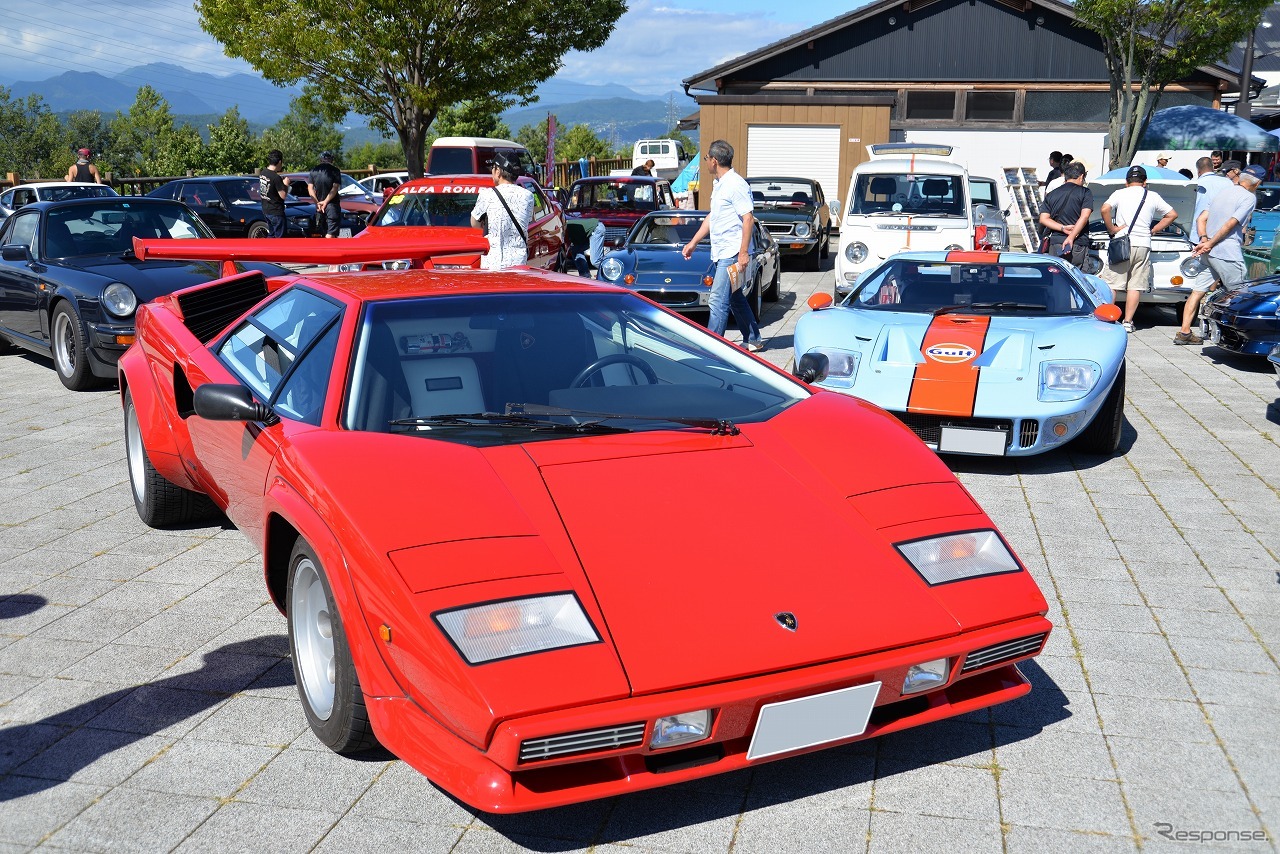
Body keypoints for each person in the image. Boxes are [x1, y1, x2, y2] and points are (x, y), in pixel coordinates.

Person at [681, 139, 763, 351]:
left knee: (717, 299)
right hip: (722, 251)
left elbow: (748, 218)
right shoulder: (720, 185)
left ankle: (713, 347)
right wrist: (693, 242)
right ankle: (753, 337)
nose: (706, 162)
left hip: (733, 251)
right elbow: (713, 216)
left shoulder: (736, 185)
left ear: (715, 161)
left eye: (707, 158)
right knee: (735, 298)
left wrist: (743, 252)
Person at [1176, 165, 1265, 343]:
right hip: (1226, 251)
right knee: (1239, 293)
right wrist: (1211, 242)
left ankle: (1184, 332)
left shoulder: (1222, 192)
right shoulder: (1249, 197)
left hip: (1208, 252)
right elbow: (1231, 223)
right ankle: (1235, 336)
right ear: (1258, 183)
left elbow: (1201, 218)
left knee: (1197, 292)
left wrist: (1203, 239)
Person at [1100, 165, 1177, 333]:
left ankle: (1107, 318)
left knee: (1112, 283)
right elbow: (1172, 214)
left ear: (1127, 182)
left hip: (1122, 242)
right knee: (1135, 285)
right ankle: (1128, 321)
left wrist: (1112, 228)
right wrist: (1155, 229)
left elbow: (1105, 208)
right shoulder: (1152, 195)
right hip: (1143, 243)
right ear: (1145, 182)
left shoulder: (1120, 193)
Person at [470, 150, 534, 270]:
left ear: (498, 171)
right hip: (518, 263)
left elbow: (474, 222)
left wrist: (486, 225)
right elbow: (526, 221)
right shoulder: (528, 196)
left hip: (493, 263)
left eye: (493, 168)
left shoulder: (487, 194)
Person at [1037, 161, 1094, 268]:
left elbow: (1043, 219)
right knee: (1078, 278)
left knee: (1056, 277)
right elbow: (1085, 216)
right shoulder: (1085, 192)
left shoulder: (1052, 194)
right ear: (1081, 177)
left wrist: (1063, 228)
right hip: (1077, 243)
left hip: (1056, 243)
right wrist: (1071, 237)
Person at [308, 151, 343, 238]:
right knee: (331, 233)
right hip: (332, 205)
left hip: (319, 206)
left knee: (322, 231)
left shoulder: (313, 171)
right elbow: (334, 188)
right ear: (331, 160)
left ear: (320, 160)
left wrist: (317, 203)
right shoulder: (335, 171)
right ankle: (330, 250)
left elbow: (310, 188)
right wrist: (326, 202)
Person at [258, 150, 291, 238]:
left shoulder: (263, 173)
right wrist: (286, 184)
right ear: (279, 161)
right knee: (280, 237)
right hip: (276, 211)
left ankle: (268, 251)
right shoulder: (276, 178)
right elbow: (283, 195)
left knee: (272, 235)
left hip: (266, 209)